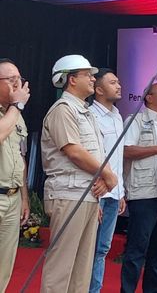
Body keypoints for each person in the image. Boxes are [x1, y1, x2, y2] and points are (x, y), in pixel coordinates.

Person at [41, 55, 118, 293]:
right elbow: (74, 151)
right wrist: (108, 175)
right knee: (61, 267)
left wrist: (103, 181)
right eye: (88, 75)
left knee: (82, 268)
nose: (93, 79)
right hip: (68, 194)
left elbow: (95, 153)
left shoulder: (84, 111)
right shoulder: (63, 110)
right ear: (71, 79)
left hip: (87, 195)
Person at [120, 82, 157, 293]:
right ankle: (128, 290)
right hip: (143, 192)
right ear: (149, 97)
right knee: (137, 248)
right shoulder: (135, 121)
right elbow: (126, 150)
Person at [88, 68, 126, 293]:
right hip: (97, 191)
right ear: (99, 89)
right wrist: (93, 193)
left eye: (118, 81)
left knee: (102, 248)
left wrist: (121, 192)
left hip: (114, 192)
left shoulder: (117, 115)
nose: (119, 86)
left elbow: (117, 157)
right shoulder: (90, 115)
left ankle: (95, 290)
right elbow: (89, 155)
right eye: (113, 82)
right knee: (89, 248)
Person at [0, 59, 31, 290]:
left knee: (5, 263)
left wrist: (24, 198)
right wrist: (16, 107)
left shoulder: (16, 115)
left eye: (19, 79)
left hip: (12, 198)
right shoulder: (15, 111)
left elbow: (21, 158)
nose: (18, 84)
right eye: (11, 80)